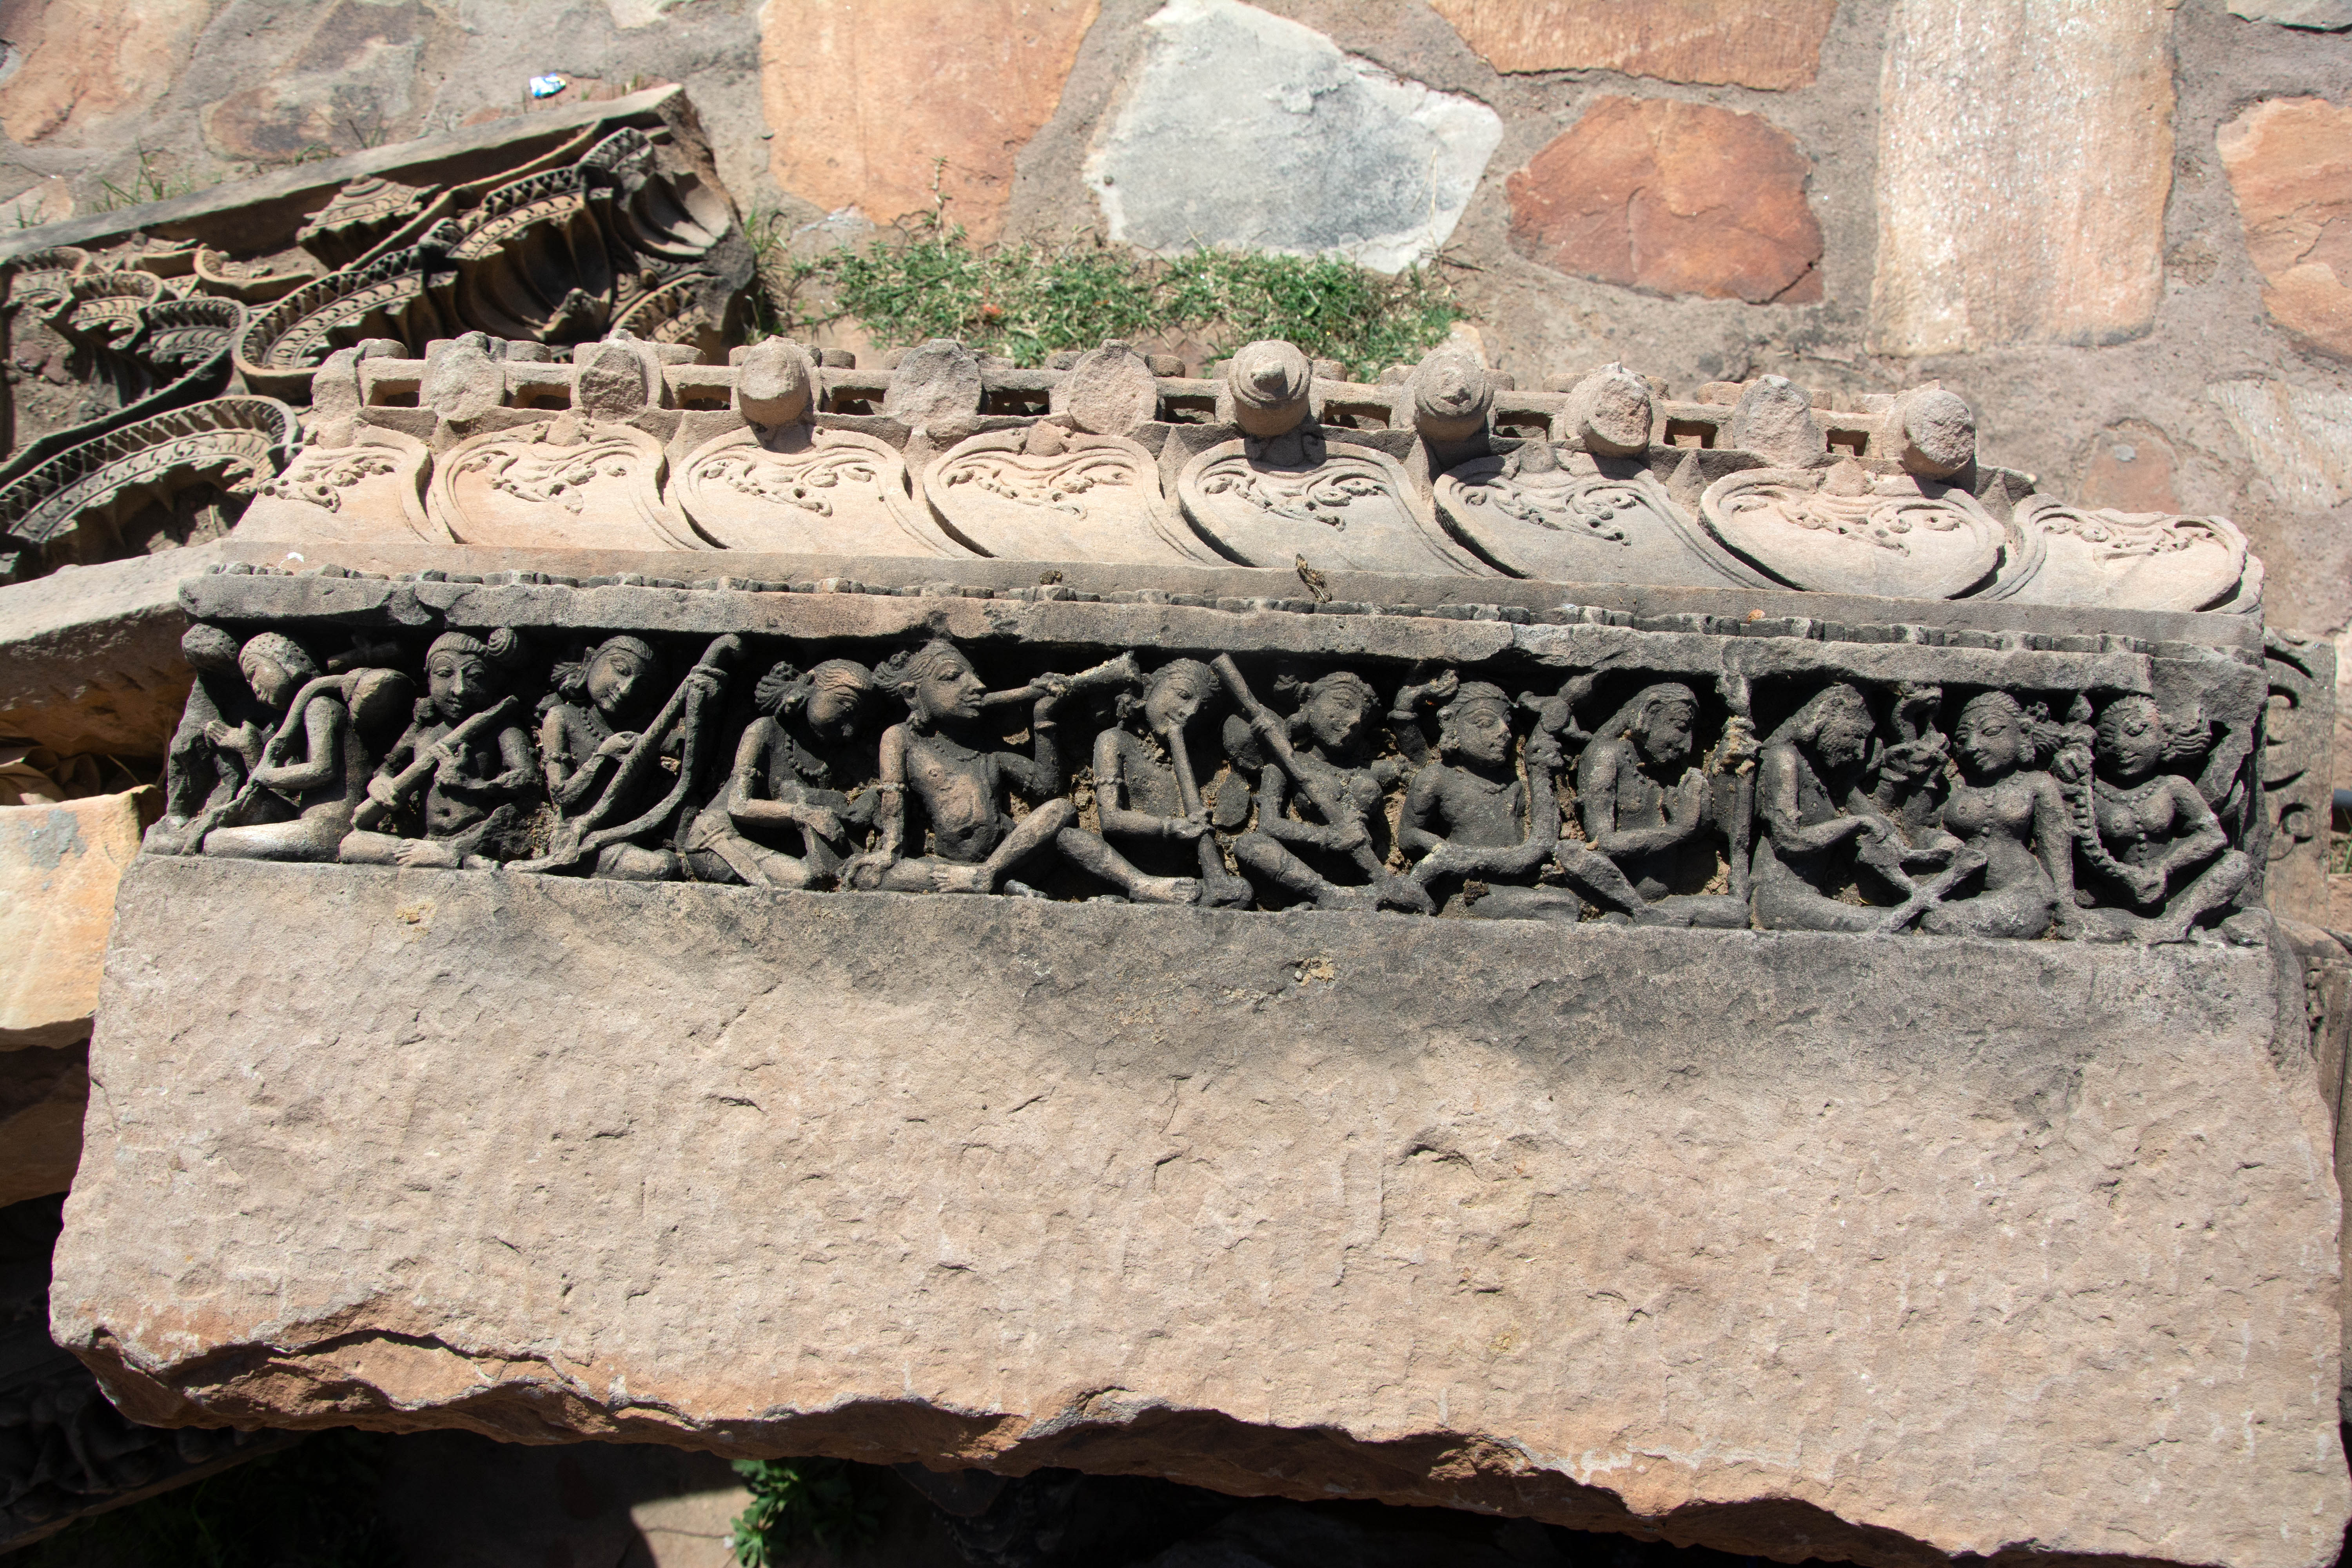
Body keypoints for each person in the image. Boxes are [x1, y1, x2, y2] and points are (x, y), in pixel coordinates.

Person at [843, 638, 1109, 897]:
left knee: (1061, 810)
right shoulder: (901, 738)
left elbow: (1046, 788)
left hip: (1005, 858)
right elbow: (893, 802)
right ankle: (999, 883)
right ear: (912, 695)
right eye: (952, 677)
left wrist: (1043, 719)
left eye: (974, 676)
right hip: (946, 868)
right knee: (868, 876)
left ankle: (990, 876)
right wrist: (889, 850)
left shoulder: (987, 747)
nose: (979, 686)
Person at [1231, 668, 1428, 912]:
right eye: (1344, 704)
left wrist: (1405, 707)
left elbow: (1418, 766)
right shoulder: (1287, 763)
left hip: (1368, 870)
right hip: (1307, 870)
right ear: (1309, 705)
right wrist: (1329, 838)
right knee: (1250, 846)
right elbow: (1269, 824)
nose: (1355, 719)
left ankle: (1360, 893)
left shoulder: (1369, 768)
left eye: (1363, 716)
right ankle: (1326, 894)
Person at [338, 629, 537, 869]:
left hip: (478, 833)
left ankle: (453, 858)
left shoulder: (501, 727)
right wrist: (381, 782)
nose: (459, 689)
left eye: (475, 677)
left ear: (492, 682)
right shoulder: (422, 730)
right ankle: (442, 857)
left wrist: (468, 783)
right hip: (425, 838)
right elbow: (388, 768)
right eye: (445, 675)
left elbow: (527, 779)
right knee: (351, 844)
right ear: (429, 679)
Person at [682, 657, 880, 890]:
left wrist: (870, 800)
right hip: (718, 838)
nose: (850, 728)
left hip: (777, 845)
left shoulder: (830, 754)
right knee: (805, 881)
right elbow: (738, 805)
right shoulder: (765, 730)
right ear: (811, 686)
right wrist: (803, 814)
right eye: (846, 708)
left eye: (858, 718)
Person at [2069, 693, 2247, 943]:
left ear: (2164, 739)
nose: (2121, 746)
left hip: (2170, 889)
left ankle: (2176, 924)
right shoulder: (2090, 791)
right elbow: (2076, 846)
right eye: (2108, 741)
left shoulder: (2173, 787)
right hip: (2113, 889)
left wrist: (2165, 867)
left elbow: (2213, 835)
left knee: (2237, 864)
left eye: (2136, 732)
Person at [200, 632, 392, 862]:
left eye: (254, 673)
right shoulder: (295, 723)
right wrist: (249, 749)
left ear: (285, 662)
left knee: (216, 842)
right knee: (227, 822)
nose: (254, 688)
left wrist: (264, 776)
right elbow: (284, 793)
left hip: (329, 830)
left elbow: (322, 770)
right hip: (307, 822)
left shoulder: (321, 706)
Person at [1080, 657, 1252, 907]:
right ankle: (1140, 886)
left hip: (1183, 882)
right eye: (1183, 695)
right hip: (1129, 868)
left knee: (1243, 892)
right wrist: (1174, 828)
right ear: (1150, 687)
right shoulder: (1114, 741)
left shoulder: (1194, 760)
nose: (1190, 712)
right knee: (1071, 839)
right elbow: (1111, 819)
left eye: (1200, 710)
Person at [1575, 682, 1748, 927]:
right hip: (1625, 899)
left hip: (1665, 900)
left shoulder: (1672, 768)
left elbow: (1701, 833)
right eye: (1680, 728)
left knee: (1737, 913)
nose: (1686, 745)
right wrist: (1678, 831)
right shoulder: (1606, 755)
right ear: (1649, 713)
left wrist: (1702, 808)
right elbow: (1600, 843)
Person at [1920, 690, 2076, 938]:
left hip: (2024, 893)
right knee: (1930, 918)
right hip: (1957, 889)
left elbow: (2055, 847)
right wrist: (1937, 840)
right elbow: (1920, 827)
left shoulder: (2036, 784)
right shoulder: (1955, 785)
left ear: (2023, 734)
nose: (1973, 746)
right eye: (1962, 739)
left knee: (1940, 924)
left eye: (1991, 732)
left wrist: (2067, 906)